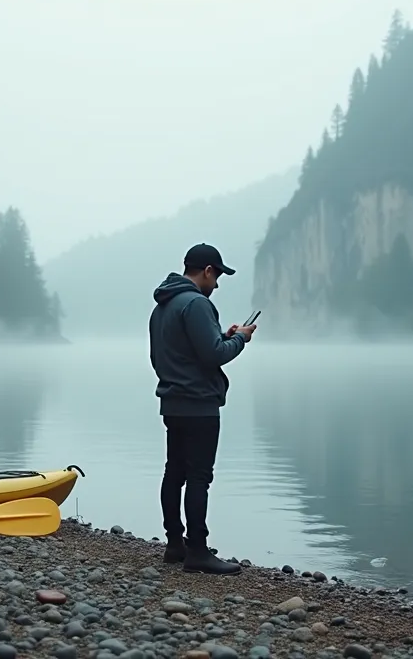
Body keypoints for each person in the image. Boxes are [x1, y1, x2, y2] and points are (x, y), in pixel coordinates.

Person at [147, 243, 257, 576]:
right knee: (198, 478)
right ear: (207, 271)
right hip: (199, 406)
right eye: (218, 275)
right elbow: (214, 355)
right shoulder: (197, 303)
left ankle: (173, 544)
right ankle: (198, 550)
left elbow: (182, 351)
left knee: (174, 473)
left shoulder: (163, 306)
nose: (218, 283)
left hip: (173, 402)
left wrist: (223, 336)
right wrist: (240, 340)